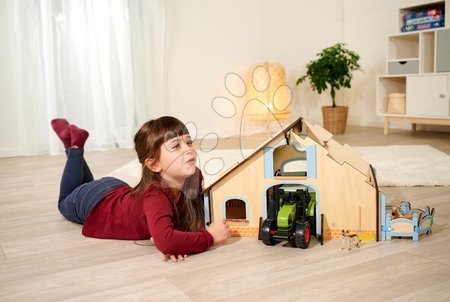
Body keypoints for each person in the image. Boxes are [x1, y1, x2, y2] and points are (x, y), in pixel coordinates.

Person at [51, 116, 230, 262]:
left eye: (189, 142)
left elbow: (181, 224)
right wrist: (209, 237)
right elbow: (166, 241)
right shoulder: (155, 195)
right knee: (64, 201)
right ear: (154, 164)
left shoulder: (193, 176)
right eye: (176, 146)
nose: (188, 150)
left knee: (85, 185)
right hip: (96, 203)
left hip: (116, 188)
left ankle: (73, 142)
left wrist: (179, 242)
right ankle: (75, 148)